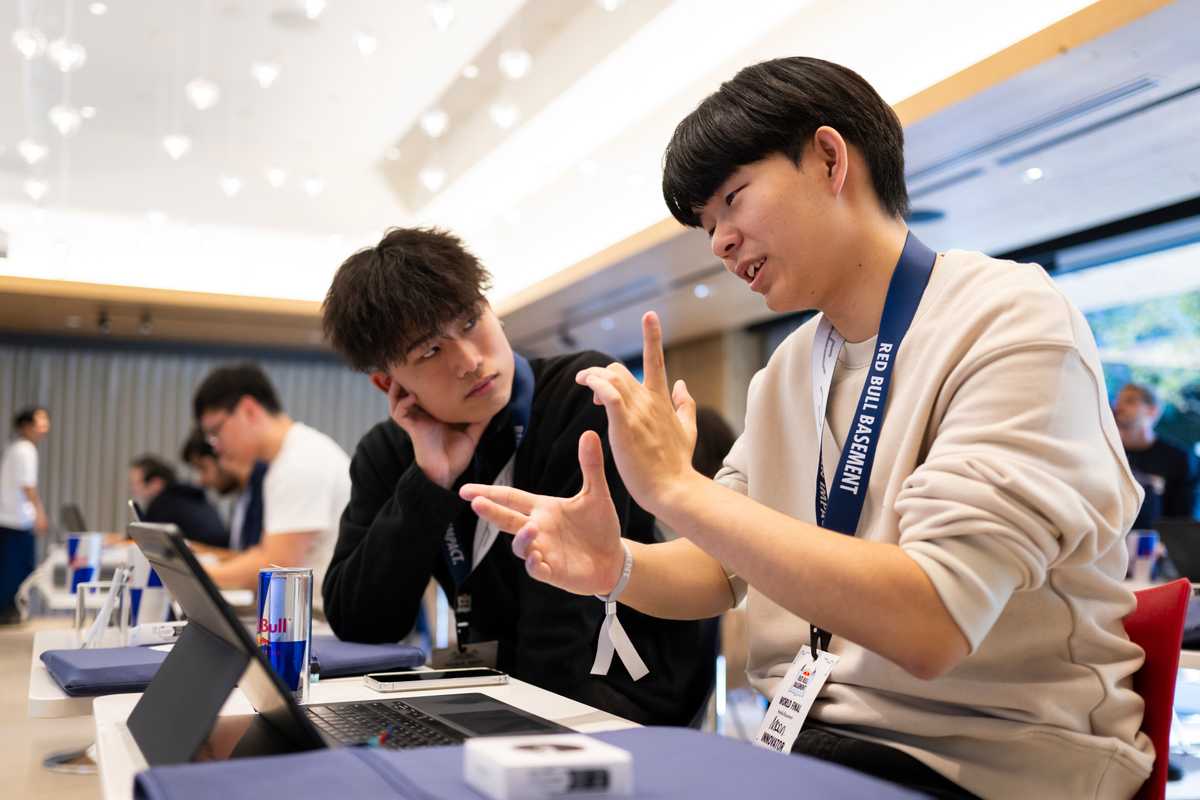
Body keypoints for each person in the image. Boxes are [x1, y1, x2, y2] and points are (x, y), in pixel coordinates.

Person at [464, 57, 1152, 798]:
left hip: (994, 764)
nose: (719, 242)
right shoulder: (791, 368)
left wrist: (674, 488)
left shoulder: (1011, 320)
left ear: (829, 159)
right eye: (707, 225)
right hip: (817, 750)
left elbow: (932, 624)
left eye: (733, 199)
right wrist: (615, 566)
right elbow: (720, 568)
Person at [319, 226, 712, 726]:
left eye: (469, 321)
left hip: (625, 689)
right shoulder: (389, 453)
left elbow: (564, 627)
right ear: (387, 382)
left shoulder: (581, 395)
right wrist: (429, 481)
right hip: (498, 691)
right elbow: (361, 623)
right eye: (430, 351)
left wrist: (502, 733)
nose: (469, 361)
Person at [193, 364, 350, 594]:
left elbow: (276, 566)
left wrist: (190, 574)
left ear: (249, 410)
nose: (216, 447)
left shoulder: (301, 462)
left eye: (216, 432)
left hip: (319, 613)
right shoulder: (288, 459)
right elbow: (266, 554)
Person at [1115, 382, 1198, 528]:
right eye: (1118, 401)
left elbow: (1184, 521)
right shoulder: (1106, 454)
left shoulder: (1180, 459)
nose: (1119, 407)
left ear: (1153, 411)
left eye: (1130, 401)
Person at [0, 407, 50, 624]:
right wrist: (40, 512)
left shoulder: (16, 448)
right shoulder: (25, 450)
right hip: (15, 521)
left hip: (11, 519)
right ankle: (7, 612)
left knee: (11, 569)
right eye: (41, 421)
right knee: (16, 571)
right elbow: (27, 486)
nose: (45, 426)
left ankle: (9, 612)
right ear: (27, 426)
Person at [180, 428, 268, 551]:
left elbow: (261, 559)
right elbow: (243, 555)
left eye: (203, 468)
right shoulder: (244, 498)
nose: (201, 480)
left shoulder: (264, 493)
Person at [129, 454, 229, 547]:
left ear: (156, 483)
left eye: (136, 483)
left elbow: (142, 538)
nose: (133, 489)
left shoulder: (162, 504)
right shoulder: (188, 495)